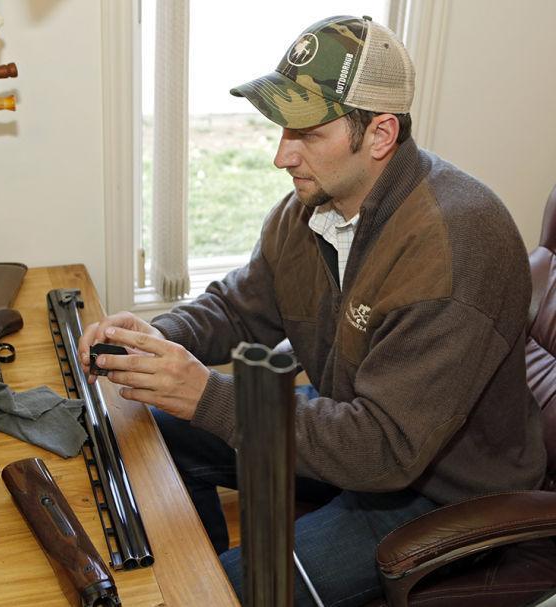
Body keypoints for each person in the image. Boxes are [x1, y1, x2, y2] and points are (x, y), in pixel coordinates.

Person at [78, 14, 546, 606]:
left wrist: (208, 395)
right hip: (353, 425)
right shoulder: (313, 209)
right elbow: (239, 308)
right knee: (153, 439)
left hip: (438, 492)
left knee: (208, 593)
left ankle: (214, 583)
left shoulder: (456, 245)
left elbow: (383, 449)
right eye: (281, 129)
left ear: (379, 135)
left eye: (307, 134)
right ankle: (205, 566)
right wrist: (155, 337)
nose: (281, 156)